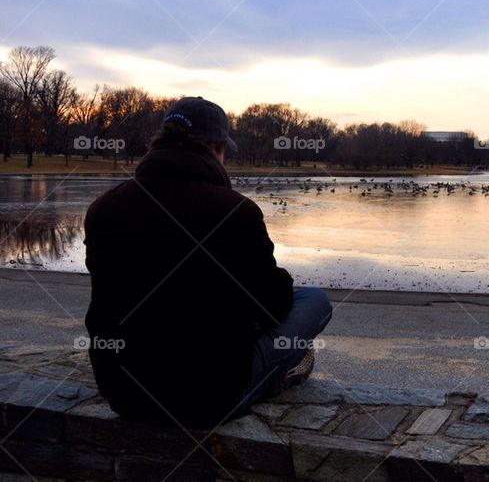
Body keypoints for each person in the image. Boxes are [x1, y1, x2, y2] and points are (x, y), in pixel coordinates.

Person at [83, 96, 332, 428]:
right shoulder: (236, 211)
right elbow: (273, 304)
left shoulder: (104, 208)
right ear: (215, 147)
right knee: (315, 300)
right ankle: (278, 371)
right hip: (211, 398)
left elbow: (108, 300)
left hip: (124, 393)